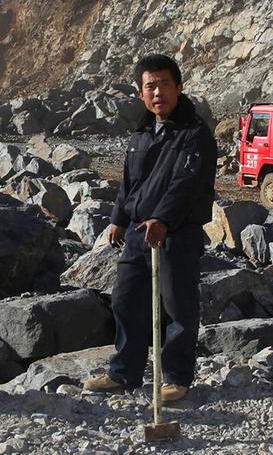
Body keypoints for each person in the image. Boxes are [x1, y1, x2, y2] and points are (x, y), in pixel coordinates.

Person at [84, 54, 218, 402]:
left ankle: (176, 378)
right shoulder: (141, 133)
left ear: (179, 87)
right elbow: (129, 183)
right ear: (141, 93)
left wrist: (163, 220)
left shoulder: (194, 134)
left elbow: (186, 184)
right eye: (150, 86)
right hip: (137, 235)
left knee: (177, 308)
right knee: (126, 301)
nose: (158, 92)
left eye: (164, 84)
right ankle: (123, 372)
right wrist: (118, 218)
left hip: (176, 235)